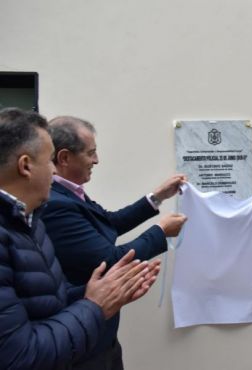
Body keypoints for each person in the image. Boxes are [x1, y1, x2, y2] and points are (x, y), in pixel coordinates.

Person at [0, 107, 159, 369]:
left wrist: (104, 292)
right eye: (50, 160)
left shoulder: (31, 220)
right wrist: (96, 305)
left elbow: (48, 300)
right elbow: (19, 356)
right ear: (26, 166)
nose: (54, 171)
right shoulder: (39, 214)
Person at [41, 116, 188, 369]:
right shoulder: (56, 203)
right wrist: (160, 232)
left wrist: (156, 197)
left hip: (101, 334)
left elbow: (107, 223)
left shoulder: (69, 192)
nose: (96, 160)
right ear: (64, 158)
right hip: (83, 343)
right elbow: (109, 260)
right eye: (91, 153)